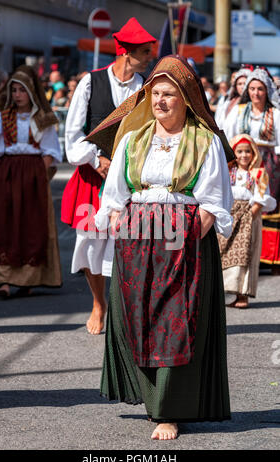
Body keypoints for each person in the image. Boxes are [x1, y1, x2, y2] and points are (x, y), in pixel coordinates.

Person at [87, 55, 234, 440]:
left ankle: (168, 411)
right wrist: (118, 220)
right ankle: (149, 398)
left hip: (183, 241)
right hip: (136, 241)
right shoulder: (134, 140)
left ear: (186, 97)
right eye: (155, 93)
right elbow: (114, 195)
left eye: (169, 94)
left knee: (176, 323)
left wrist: (188, 237)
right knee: (139, 318)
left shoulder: (204, 142)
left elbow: (215, 201)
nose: (160, 101)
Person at [61, 17, 156, 335]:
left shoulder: (146, 88)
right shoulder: (91, 81)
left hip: (130, 179)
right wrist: (96, 159)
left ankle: (126, 310)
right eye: (144, 51)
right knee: (90, 245)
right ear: (126, 52)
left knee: (131, 245)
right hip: (93, 177)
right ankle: (99, 303)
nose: (149, 57)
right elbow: (72, 136)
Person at [0, 65, 62, 297]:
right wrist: (4, 172)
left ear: (32, 92)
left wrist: (36, 172)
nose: (17, 95)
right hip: (8, 173)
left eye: (22, 90)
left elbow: (51, 151)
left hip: (34, 175)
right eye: (14, 90)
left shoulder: (42, 118)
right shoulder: (2, 117)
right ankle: (3, 281)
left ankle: (29, 279)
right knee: (4, 224)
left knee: (31, 224)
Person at [224, 67, 280, 275]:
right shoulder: (239, 111)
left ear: (267, 91)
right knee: (242, 204)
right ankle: (239, 253)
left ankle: (271, 258)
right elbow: (228, 135)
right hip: (243, 160)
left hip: (269, 163)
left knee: (267, 206)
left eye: (261, 89)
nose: (256, 93)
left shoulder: (275, 114)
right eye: (253, 89)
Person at [218, 134, 276, 308]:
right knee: (224, 252)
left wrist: (250, 215)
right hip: (229, 215)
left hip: (248, 216)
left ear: (254, 153)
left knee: (246, 254)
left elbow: (261, 198)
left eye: (248, 151)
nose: (244, 155)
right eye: (240, 151)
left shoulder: (258, 173)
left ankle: (242, 295)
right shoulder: (228, 172)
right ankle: (228, 292)